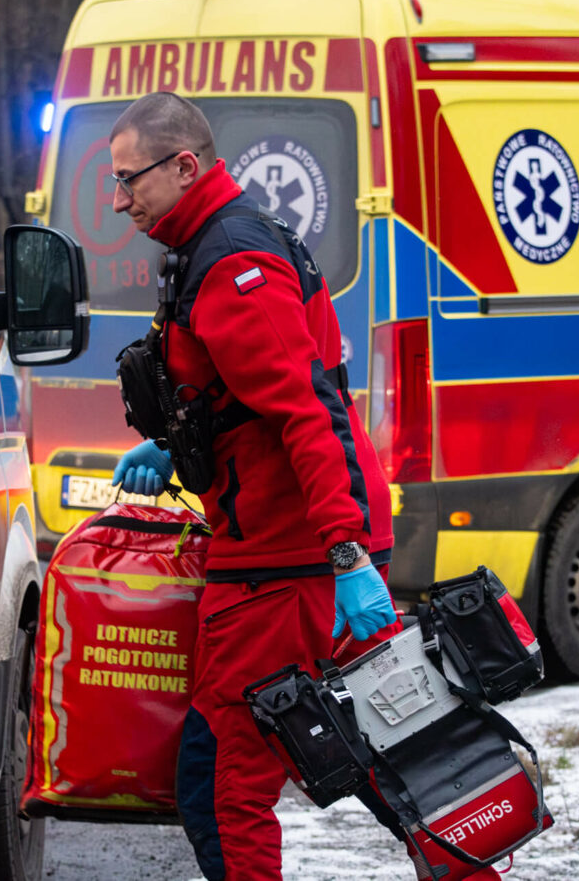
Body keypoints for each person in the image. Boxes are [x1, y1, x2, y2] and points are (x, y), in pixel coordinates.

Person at [106, 92, 474, 881]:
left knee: (226, 788)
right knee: (385, 748)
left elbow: (306, 412)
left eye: (128, 179)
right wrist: (177, 450)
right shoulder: (208, 245)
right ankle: (469, 864)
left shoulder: (233, 260)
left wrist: (345, 554)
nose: (117, 198)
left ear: (184, 166)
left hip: (287, 560)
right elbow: (243, 400)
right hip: (283, 549)